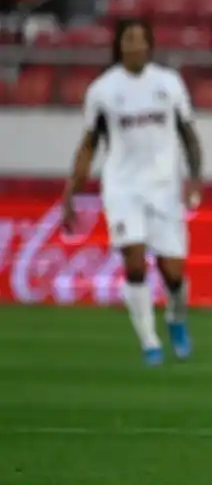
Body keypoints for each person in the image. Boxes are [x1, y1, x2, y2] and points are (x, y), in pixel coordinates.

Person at [60, 18, 202, 366]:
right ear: (119, 45)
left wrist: (194, 178)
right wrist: (70, 193)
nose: (135, 45)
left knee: (173, 273)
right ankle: (149, 341)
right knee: (135, 264)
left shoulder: (169, 83)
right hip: (123, 189)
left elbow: (188, 133)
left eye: (140, 39)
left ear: (150, 45)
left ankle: (176, 319)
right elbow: (89, 143)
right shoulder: (103, 90)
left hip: (165, 188)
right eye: (128, 39)